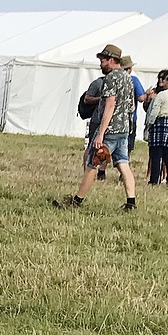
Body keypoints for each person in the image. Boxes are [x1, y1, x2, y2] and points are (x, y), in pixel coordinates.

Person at [52, 43, 136, 211]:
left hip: (110, 130)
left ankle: (76, 201)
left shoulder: (111, 78)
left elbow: (110, 105)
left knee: (92, 163)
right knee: (123, 164)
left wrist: (101, 133)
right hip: (123, 129)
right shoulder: (128, 78)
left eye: (103, 60)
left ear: (111, 60)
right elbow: (131, 106)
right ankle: (131, 202)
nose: (101, 64)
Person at [143, 70, 168, 187]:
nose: (163, 81)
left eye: (165, 79)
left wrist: (150, 124)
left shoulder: (162, 95)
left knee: (156, 155)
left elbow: (155, 111)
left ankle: (154, 180)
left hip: (160, 124)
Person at [121, 56, 145, 158]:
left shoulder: (113, 79)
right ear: (129, 69)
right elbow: (141, 98)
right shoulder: (133, 80)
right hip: (130, 118)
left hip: (115, 118)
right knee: (127, 146)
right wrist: (147, 94)